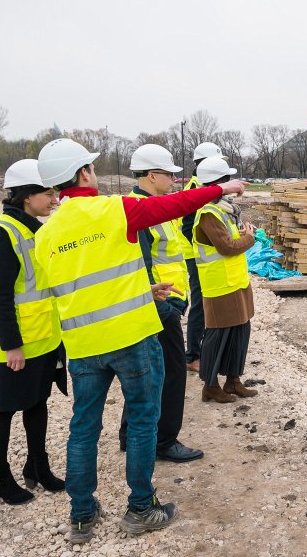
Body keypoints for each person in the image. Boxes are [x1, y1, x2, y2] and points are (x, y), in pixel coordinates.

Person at [33, 138, 245, 544]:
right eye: (91, 167)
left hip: (82, 345)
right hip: (132, 336)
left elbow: (68, 291)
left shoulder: (45, 235)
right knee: (144, 421)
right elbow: (175, 206)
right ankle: (141, 508)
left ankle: (81, 516)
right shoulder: (116, 209)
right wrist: (220, 188)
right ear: (83, 174)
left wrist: (144, 290)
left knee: (83, 428)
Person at [0, 159, 65, 505]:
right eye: (47, 192)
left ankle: (37, 466)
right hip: (16, 344)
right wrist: (12, 345)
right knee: (3, 408)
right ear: (27, 197)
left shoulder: (37, 229)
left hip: (44, 337)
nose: (54, 197)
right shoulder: (3, 233)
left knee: (37, 403)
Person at [117, 144, 203, 463]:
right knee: (169, 373)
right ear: (152, 176)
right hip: (159, 306)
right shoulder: (140, 210)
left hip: (166, 302)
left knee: (148, 370)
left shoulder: (150, 205)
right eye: (169, 174)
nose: (174, 180)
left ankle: (130, 434)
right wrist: (166, 307)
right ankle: (164, 441)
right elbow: (140, 263)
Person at [192, 155, 259, 403]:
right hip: (219, 286)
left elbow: (230, 242)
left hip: (236, 282)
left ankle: (233, 381)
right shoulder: (209, 213)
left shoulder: (225, 210)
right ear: (220, 182)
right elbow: (227, 247)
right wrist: (249, 238)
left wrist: (242, 233)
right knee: (218, 336)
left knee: (240, 331)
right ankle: (210, 386)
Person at [179, 142, 227, 373]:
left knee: (208, 302)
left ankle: (205, 349)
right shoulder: (195, 191)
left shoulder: (204, 187)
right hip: (196, 256)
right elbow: (187, 229)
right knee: (200, 303)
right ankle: (192, 356)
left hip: (202, 256)